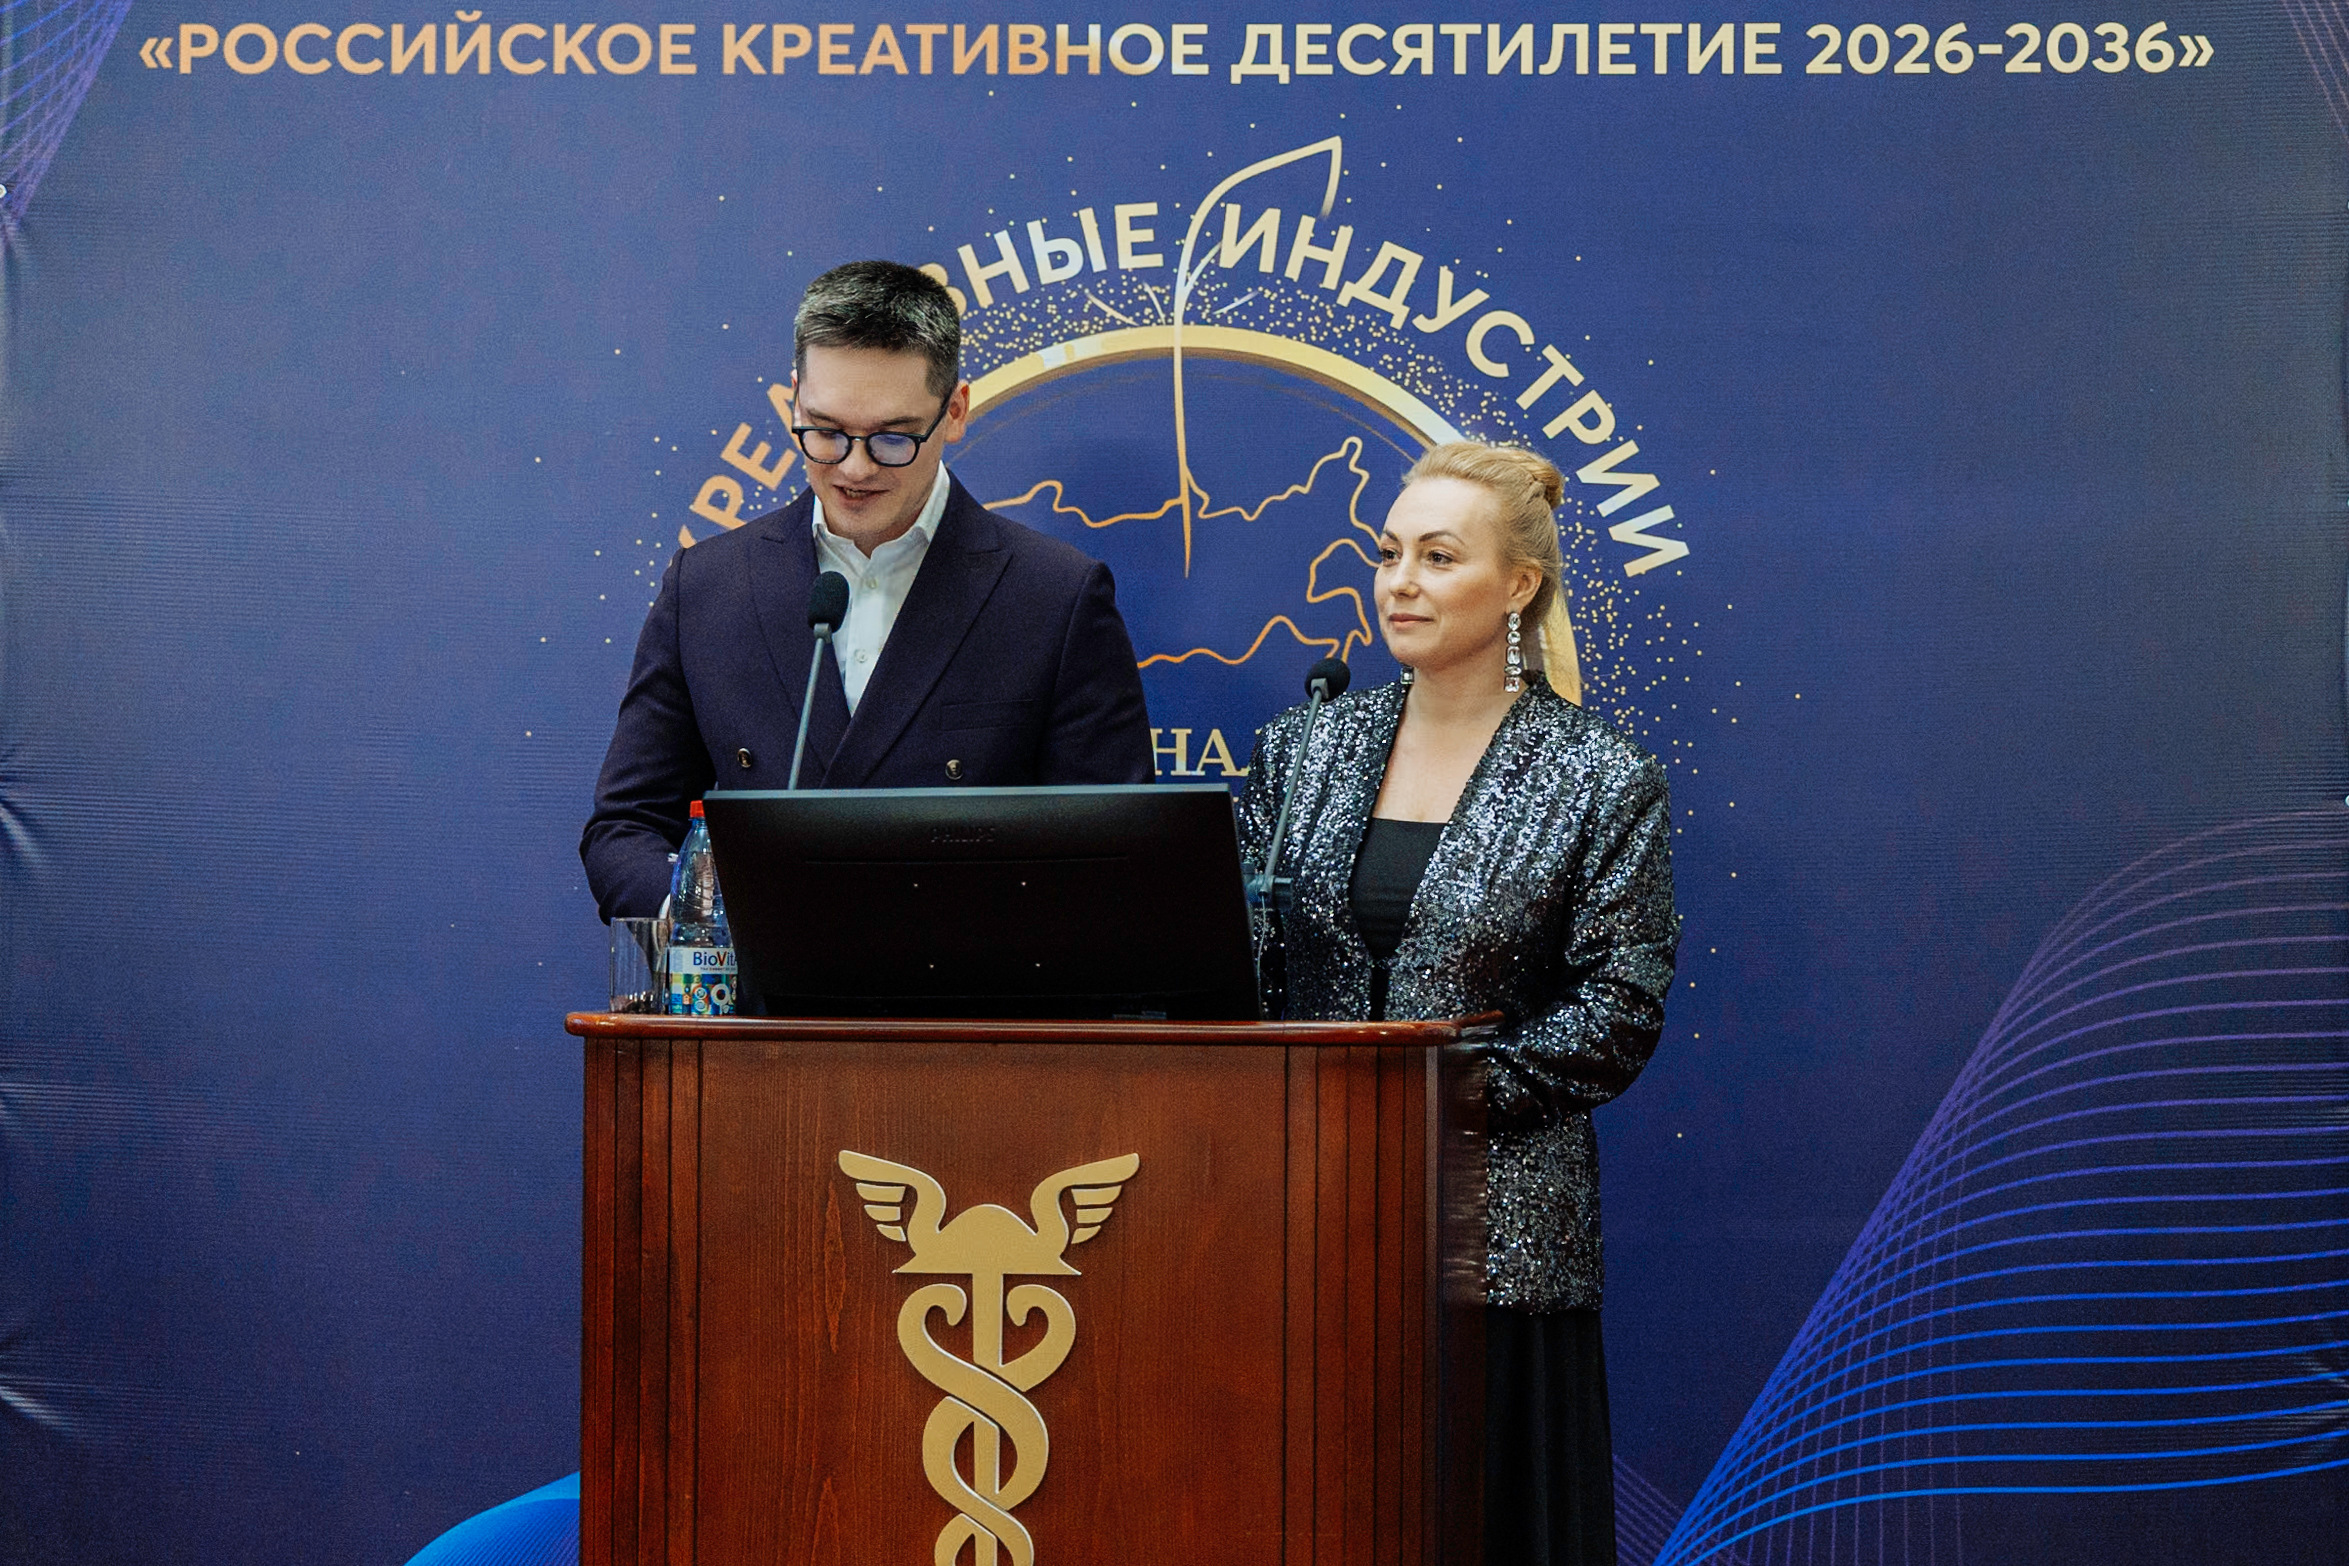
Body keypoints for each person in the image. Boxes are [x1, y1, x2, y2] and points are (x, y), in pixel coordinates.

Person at [1236, 441, 1678, 1565]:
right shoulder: (1301, 749)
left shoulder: (1597, 775)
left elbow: (1616, 1009)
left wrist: (1431, 1101)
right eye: (1388, 554)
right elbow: (1240, 970)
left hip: (1500, 1247)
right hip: (1304, 1224)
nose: (1400, 582)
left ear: (1519, 584)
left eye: (1438, 558)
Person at [582, 261, 1155, 919]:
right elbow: (626, 826)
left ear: (954, 412)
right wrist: (707, 923)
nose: (854, 469)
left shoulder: (1054, 597)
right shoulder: (708, 587)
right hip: (755, 984)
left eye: (891, 438)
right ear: (794, 402)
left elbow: (1114, 856)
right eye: (825, 432)